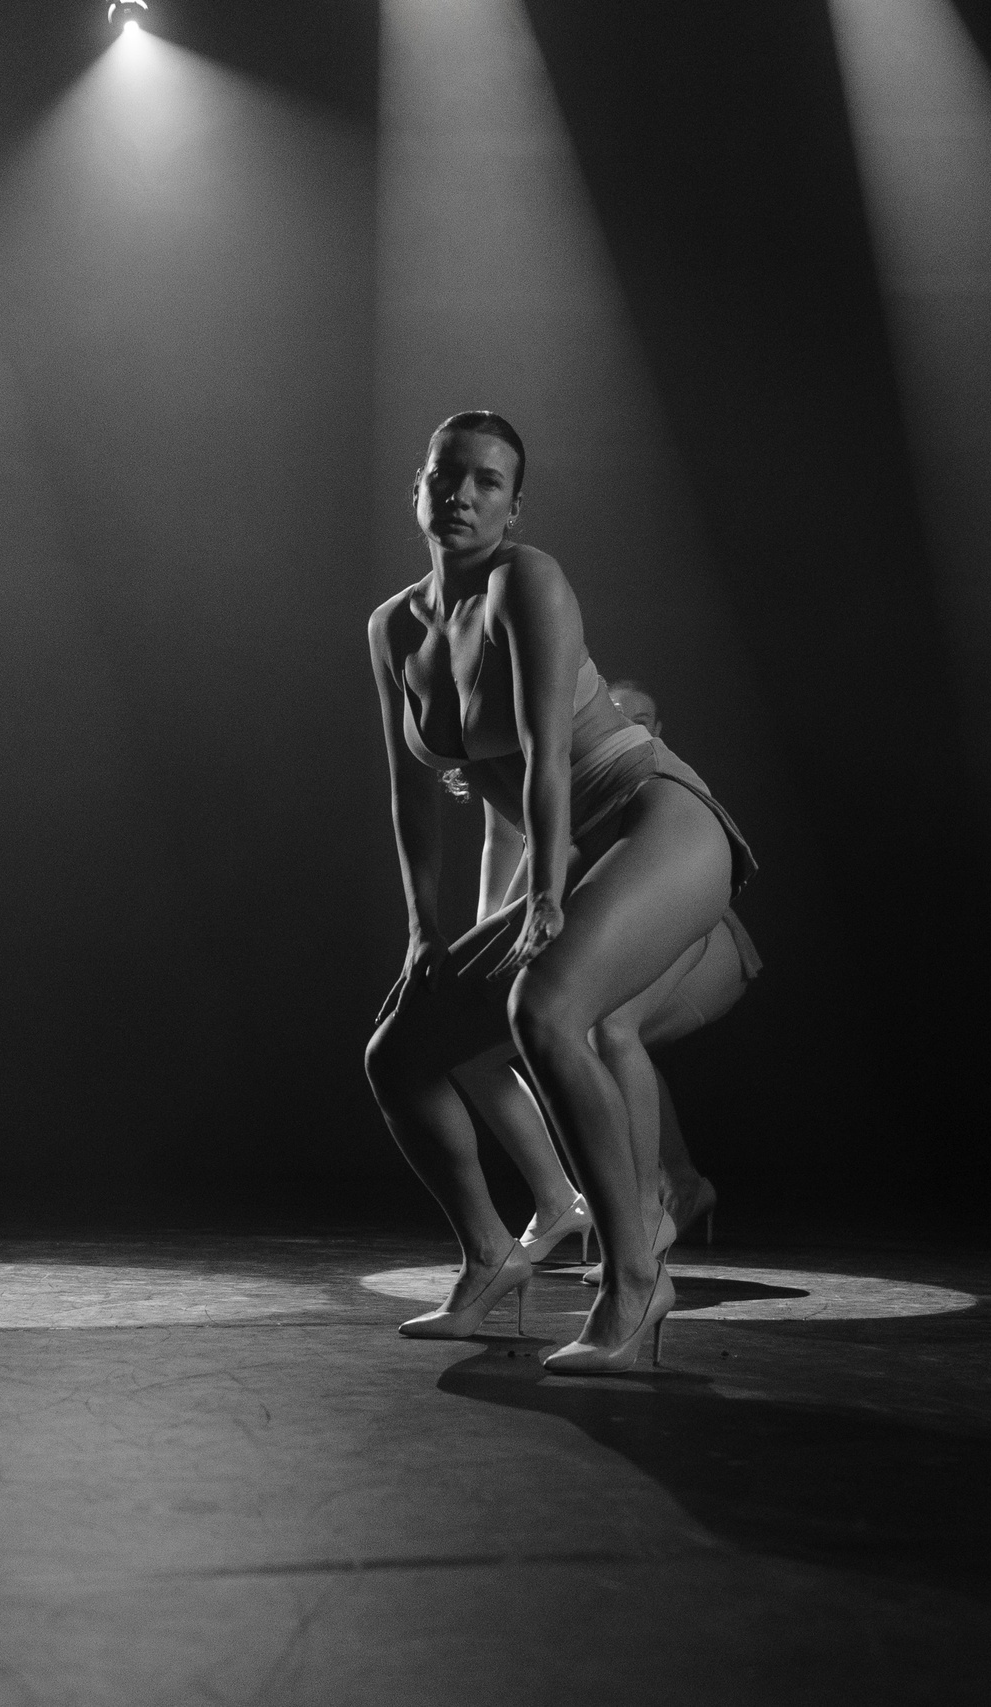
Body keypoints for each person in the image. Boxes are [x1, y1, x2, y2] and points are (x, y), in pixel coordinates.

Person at [365, 412, 755, 1373]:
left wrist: (542, 894)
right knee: (401, 1052)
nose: (463, 493)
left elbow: (544, 755)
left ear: (514, 504)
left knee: (546, 1010)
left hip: (662, 819)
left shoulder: (524, 582)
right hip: (578, 846)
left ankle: (635, 1278)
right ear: (418, 487)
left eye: (488, 481)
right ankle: (490, 1258)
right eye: (448, 476)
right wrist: (423, 933)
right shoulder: (393, 628)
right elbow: (411, 794)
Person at [452, 677, 756, 1278]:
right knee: (475, 1042)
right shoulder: (511, 752)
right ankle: (563, 1199)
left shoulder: (621, 771)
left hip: (705, 936)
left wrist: (503, 943)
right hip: (595, 922)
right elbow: (504, 839)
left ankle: (646, 1216)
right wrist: (481, 945)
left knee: (605, 1029)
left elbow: (557, 852)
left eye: (633, 714)